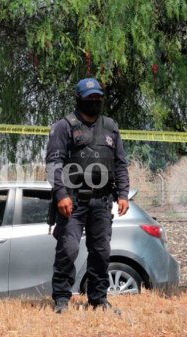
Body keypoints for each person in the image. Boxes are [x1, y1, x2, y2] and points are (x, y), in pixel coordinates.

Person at [45, 78, 130, 314]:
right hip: (72, 201)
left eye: (97, 98)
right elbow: (53, 163)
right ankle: (61, 298)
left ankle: (98, 299)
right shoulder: (64, 126)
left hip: (102, 201)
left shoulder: (111, 127)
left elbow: (121, 163)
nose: (94, 102)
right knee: (68, 249)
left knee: (101, 252)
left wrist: (123, 193)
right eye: (89, 98)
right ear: (78, 98)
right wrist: (61, 194)